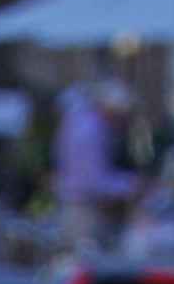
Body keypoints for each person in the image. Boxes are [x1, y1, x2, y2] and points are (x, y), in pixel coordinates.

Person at [54, 81, 141, 252]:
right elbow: (93, 182)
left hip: (79, 208)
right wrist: (133, 185)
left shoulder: (81, 124)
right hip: (83, 212)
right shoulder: (91, 131)